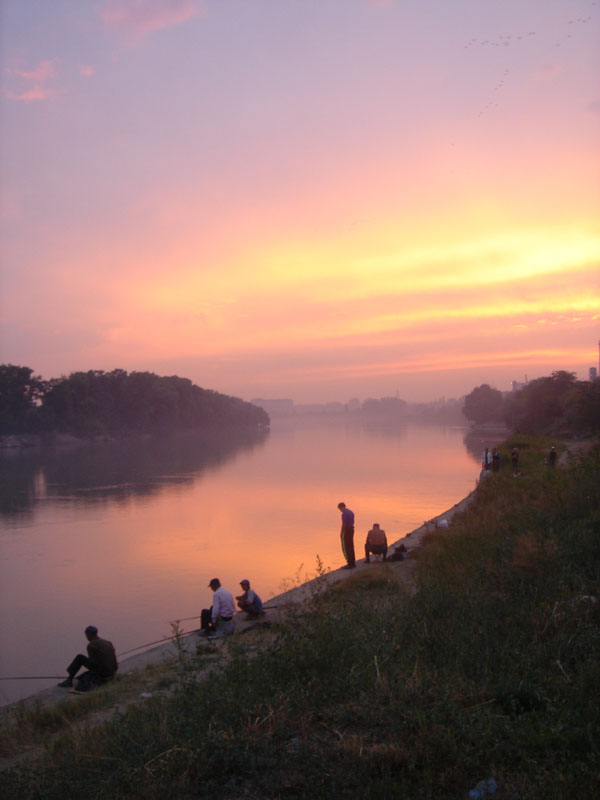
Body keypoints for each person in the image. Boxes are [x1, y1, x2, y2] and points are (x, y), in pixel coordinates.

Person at [57, 625, 118, 691]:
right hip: (113, 671)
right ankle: (69, 679)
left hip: (104, 673)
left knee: (79, 658)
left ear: (89, 635)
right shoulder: (107, 642)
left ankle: (69, 680)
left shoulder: (91, 645)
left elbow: (94, 663)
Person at [337, 502, 356, 569]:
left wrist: (341, 532)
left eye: (340, 509)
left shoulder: (344, 514)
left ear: (342, 507)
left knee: (347, 547)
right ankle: (353, 562)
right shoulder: (351, 512)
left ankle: (349, 563)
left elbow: (344, 524)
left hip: (347, 531)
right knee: (351, 546)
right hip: (352, 529)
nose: (340, 510)